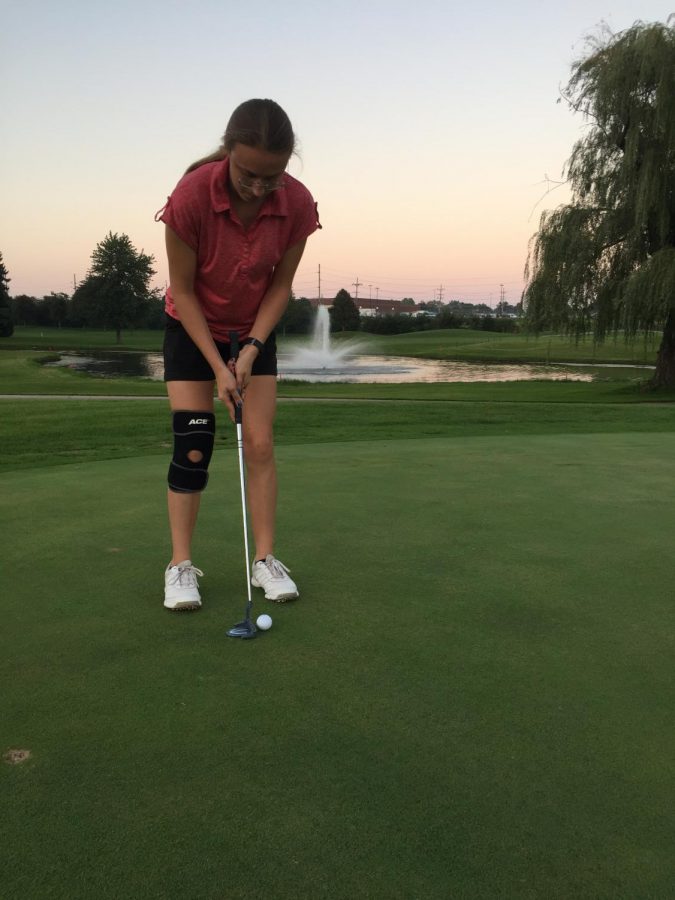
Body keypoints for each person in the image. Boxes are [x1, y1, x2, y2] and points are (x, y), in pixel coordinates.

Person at [156, 98, 321, 611]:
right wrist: (217, 366)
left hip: (255, 327)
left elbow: (281, 288)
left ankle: (265, 560)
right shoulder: (191, 196)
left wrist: (250, 349)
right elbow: (183, 291)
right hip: (192, 326)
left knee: (261, 442)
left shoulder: (297, 203)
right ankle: (180, 566)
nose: (258, 188)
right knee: (195, 442)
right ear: (228, 151)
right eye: (249, 174)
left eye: (271, 178)